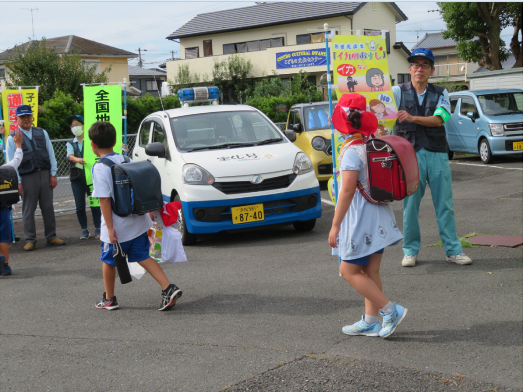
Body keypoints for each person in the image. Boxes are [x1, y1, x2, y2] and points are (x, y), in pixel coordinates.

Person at [328, 93, 407, 338]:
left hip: (360, 218)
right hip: (379, 215)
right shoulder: (372, 141)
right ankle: (371, 320)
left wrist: (335, 224)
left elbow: (348, 190)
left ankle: (389, 310)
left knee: (348, 271)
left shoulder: (351, 150)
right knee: (370, 272)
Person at [89, 121, 182, 311]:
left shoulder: (100, 167)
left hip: (117, 225)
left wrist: (109, 228)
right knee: (142, 255)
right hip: (138, 222)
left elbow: (104, 200)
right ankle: (168, 287)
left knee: (108, 259)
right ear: (114, 141)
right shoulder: (126, 160)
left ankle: (109, 298)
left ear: (92, 144)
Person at [392, 48, 472, 267]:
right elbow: (381, 115)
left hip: (437, 154)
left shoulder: (441, 93)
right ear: (409, 69)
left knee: (444, 204)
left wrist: (412, 117)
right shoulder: (396, 92)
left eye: (424, 65)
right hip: (409, 156)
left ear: (432, 70)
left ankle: (453, 250)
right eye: (416, 65)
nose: (420, 69)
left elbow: (440, 120)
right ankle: (410, 251)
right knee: (410, 206)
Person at [6, 105, 65, 251]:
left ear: (32, 117)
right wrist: (18, 182)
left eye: (28, 116)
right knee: (28, 209)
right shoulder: (12, 137)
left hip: (45, 174)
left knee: (48, 207)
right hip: (26, 177)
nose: (26, 119)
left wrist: (53, 174)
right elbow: (11, 162)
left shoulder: (42, 132)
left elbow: (51, 154)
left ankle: (51, 236)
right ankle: (31, 239)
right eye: (23, 117)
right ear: (17, 119)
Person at [65, 114, 101, 240]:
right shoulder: (70, 143)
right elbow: (70, 156)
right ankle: (84, 230)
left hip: (91, 177)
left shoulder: (91, 140)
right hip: (77, 177)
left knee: (95, 204)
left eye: (77, 125)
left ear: (84, 126)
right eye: (72, 126)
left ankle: (98, 228)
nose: (74, 128)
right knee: (79, 206)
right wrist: (78, 159)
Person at [0, 129, 23, 275]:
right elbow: (17, 159)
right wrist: (18, 144)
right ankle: (5, 266)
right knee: (2, 239)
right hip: (3, 209)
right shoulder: (5, 169)